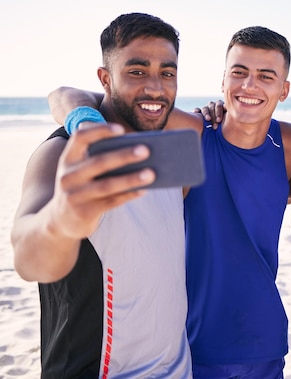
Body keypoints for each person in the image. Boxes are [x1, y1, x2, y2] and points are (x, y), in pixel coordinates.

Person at [47, 26, 291, 378]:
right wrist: (84, 121)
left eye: (266, 76)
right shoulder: (190, 136)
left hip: (266, 344)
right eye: (239, 73)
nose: (250, 85)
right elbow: (69, 94)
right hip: (193, 345)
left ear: (283, 90)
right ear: (222, 81)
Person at [11, 13, 192, 377]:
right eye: (137, 71)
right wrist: (62, 219)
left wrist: (78, 108)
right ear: (105, 79)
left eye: (167, 73)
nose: (155, 87)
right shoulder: (62, 153)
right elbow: (30, 258)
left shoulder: (173, 151)